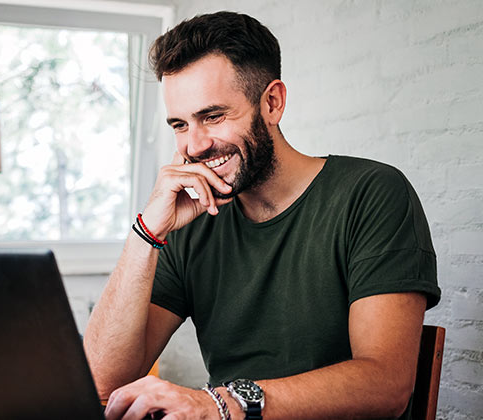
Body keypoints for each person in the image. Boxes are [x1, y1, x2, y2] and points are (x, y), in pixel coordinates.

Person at [83, 11, 441, 420]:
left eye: (213, 116)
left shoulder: (370, 193)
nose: (194, 145)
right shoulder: (192, 221)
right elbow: (101, 383)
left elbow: (386, 385)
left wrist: (219, 405)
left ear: (272, 103)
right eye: (180, 125)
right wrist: (147, 230)